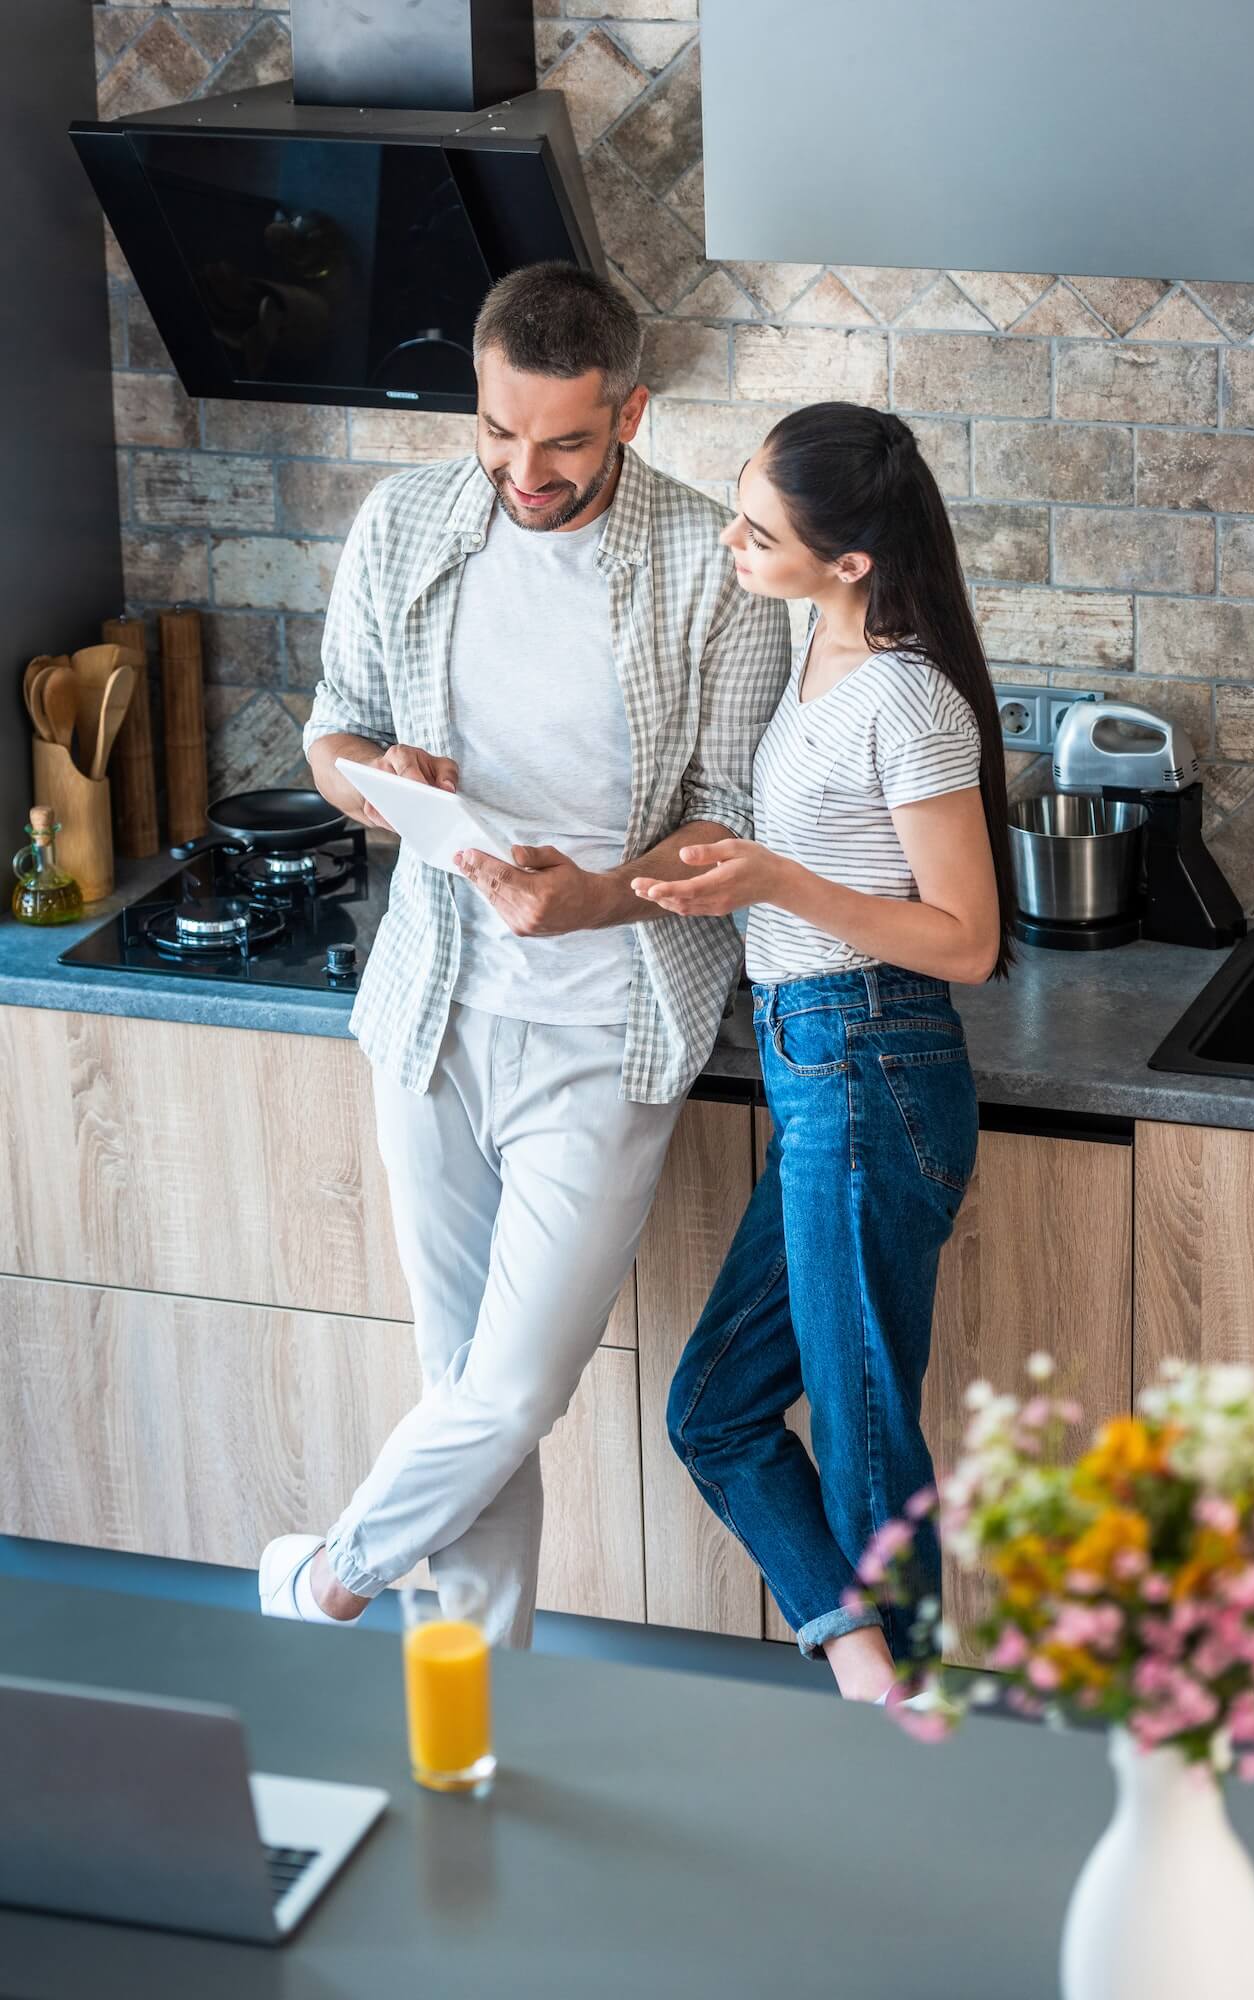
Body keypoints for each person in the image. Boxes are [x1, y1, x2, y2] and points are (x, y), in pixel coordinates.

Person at [259, 262, 790, 1643]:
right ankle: (474, 1721)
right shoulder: (406, 520)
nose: (524, 469)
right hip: (433, 1011)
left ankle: (325, 1580)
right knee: (460, 1386)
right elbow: (332, 728)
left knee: (510, 1392)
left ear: (631, 413)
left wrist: (604, 896)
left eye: (562, 439)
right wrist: (377, 778)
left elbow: (730, 813)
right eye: (499, 431)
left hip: (607, 1027)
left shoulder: (712, 566)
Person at [632, 403, 1017, 1702]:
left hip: (871, 1058)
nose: (733, 537)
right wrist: (734, 875)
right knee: (716, 1410)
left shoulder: (908, 701)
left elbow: (966, 940)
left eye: (759, 528)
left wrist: (781, 881)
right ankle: (868, 1670)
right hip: (818, 1066)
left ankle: (900, 1734)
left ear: (850, 560)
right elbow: (817, 862)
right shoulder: (816, 650)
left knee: (862, 1440)